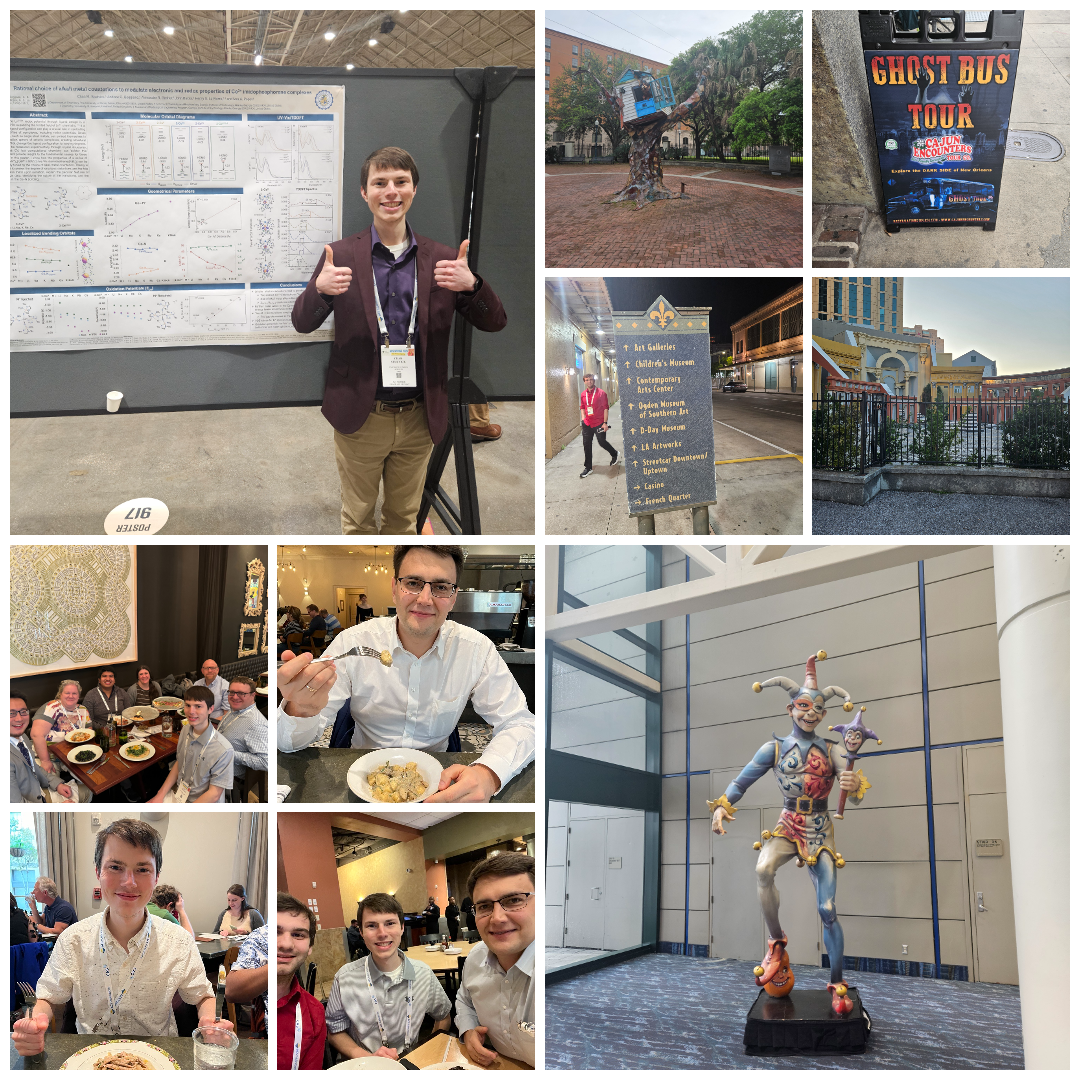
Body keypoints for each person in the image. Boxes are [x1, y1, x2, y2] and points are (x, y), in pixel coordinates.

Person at [291, 145, 508, 534]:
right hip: (360, 415)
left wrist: (473, 285)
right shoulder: (339, 256)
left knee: (404, 520)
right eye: (380, 182)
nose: (390, 191)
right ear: (364, 192)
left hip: (419, 419)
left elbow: (496, 323)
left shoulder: (443, 260)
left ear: (413, 189)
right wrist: (319, 291)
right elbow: (302, 322)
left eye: (400, 181)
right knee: (357, 520)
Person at [278, 545, 534, 803]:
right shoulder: (353, 643)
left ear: (453, 597)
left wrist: (489, 773)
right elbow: (286, 743)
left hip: (439, 781)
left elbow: (521, 723)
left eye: (441, 587)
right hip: (363, 778)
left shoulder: (476, 650)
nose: (424, 599)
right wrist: (300, 709)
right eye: (413, 583)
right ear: (394, 588)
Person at [708, 652, 869, 1015]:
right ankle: (777, 941)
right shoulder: (775, 748)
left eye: (818, 708)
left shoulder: (834, 750)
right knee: (763, 869)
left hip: (820, 829)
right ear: (790, 708)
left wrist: (854, 785)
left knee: (827, 908)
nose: (811, 713)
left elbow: (855, 792)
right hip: (788, 824)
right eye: (803, 706)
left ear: (824, 715)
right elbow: (741, 781)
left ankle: (837, 982)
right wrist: (722, 804)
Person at [12, 818, 234, 1052]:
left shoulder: (178, 940)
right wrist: (35, 1023)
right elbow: (48, 996)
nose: (129, 882)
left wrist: (210, 1020)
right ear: (98, 871)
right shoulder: (73, 939)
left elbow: (202, 996)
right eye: (115, 867)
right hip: (91, 1055)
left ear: (156, 877)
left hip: (158, 1055)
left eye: (142, 869)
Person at [325, 892, 451, 1060]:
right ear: (361, 931)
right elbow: (334, 1031)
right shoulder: (344, 978)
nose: (382, 933)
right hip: (365, 1065)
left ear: (402, 927)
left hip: (410, 1063)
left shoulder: (424, 974)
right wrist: (368, 1059)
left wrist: (425, 1055)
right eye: (371, 925)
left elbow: (443, 1017)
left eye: (390, 923)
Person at [456, 853, 535, 1067]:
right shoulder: (475, 958)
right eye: (484, 906)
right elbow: (465, 1000)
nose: (497, 918)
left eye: (514, 900)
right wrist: (468, 1029)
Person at [149, 686, 235, 804]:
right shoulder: (185, 730)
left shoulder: (224, 749)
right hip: (179, 793)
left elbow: (214, 794)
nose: (191, 711)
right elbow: (179, 763)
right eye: (188, 705)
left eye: (198, 706)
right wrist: (159, 795)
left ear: (210, 709)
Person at [276, 892, 327, 1070]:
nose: (286, 944)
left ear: (310, 946)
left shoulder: (315, 1013)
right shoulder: (241, 1006)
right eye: (276, 932)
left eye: (298, 935)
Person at [12, 693, 73, 803]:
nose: (19, 718)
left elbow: (33, 767)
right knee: (86, 793)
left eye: (23, 711)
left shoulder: (22, 737)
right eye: (11, 713)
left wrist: (57, 784)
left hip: (38, 789)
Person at [217, 678, 268, 801]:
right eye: (232, 692)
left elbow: (265, 762)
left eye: (241, 693)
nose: (235, 697)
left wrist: (230, 754)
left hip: (230, 777)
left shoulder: (256, 723)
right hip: (218, 764)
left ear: (253, 695)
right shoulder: (235, 710)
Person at [31, 679, 91, 772]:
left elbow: (89, 732)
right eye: (67, 693)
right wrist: (45, 761)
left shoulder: (83, 710)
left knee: (89, 775)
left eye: (74, 693)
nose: (71, 696)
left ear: (78, 696)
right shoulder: (51, 707)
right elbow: (36, 735)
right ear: (60, 694)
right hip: (49, 757)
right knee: (49, 779)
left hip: (73, 755)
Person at [579, 372, 618, 478]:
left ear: (594, 380)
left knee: (602, 442)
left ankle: (614, 453)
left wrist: (605, 423)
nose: (589, 381)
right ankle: (588, 468)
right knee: (587, 445)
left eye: (591, 379)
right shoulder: (583, 394)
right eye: (587, 380)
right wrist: (583, 419)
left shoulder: (601, 393)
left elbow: (605, 408)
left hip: (599, 422)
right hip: (587, 423)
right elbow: (582, 407)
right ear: (584, 381)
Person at [226, 922, 269, 1017]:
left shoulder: (254, 915)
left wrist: (246, 933)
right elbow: (216, 931)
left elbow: (256, 929)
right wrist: (222, 932)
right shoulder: (224, 915)